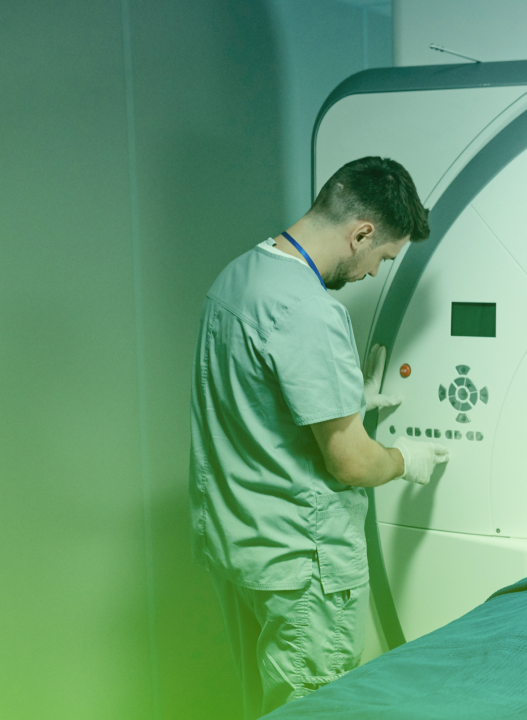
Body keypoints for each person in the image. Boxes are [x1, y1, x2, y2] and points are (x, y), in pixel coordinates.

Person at [190, 156, 450, 718]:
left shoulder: (237, 277)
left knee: (264, 707)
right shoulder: (309, 307)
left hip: (241, 548)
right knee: (314, 709)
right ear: (361, 233)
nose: (374, 273)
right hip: (300, 566)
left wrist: (346, 400)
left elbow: (253, 404)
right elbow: (351, 464)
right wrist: (405, 458)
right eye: (382, 257)